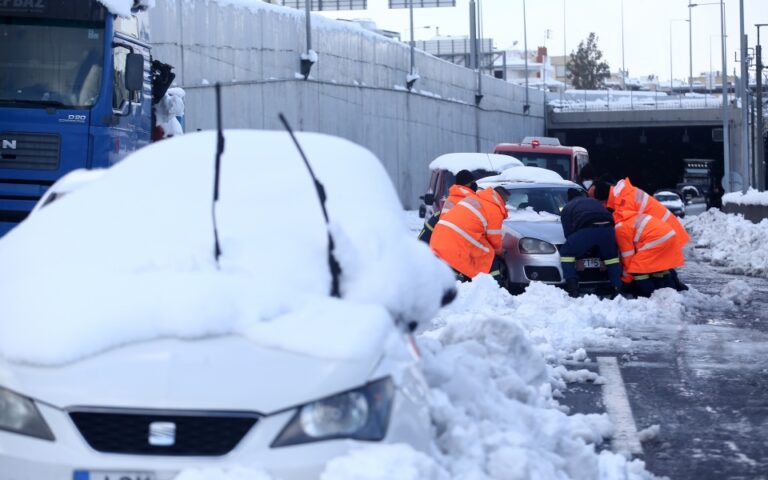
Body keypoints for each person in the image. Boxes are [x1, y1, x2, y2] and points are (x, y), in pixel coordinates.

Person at [592, 176, 689, 291]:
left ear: (605, 199)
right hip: (664, 229)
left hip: (659, 232)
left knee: (644, 266)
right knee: (660, 265)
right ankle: (671, 288)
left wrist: (626, 279)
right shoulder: (623, 194)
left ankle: (665, 289)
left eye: (601, 203)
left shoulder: (624, 203)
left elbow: (628, 250)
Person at [429, 185, 508, 282]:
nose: (506, 204)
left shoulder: (473, 198)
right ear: (502, 197)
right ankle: (495, 285)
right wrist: (501, 253)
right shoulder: (494, 210)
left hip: (439, 236)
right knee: (489, 258)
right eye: (506, 201)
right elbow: (494, 239)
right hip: (457, 239)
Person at [559, 188, 622, 297]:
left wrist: (580, 253)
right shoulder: (594, 201)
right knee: (611, 258)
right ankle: (617, 287)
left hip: (588, 229)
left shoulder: (568, 207)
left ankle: (572, 286)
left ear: (569, 198)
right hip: (608, 229)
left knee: (566, 252)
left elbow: (569, 233)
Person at [613, 209, 685, 297]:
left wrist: (626, 280)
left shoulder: (620, 228)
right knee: (660, 268)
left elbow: (628, 256)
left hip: (657, 239)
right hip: (669, 234)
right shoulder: (629, 217)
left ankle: (650, 296)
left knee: (637, 269)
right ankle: (672, 292)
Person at [418, 169, 477, 244]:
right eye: (473, 182)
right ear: (467, 184)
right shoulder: (476, 204)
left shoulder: (445, 207)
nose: (475, 184)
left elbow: (421, 241)